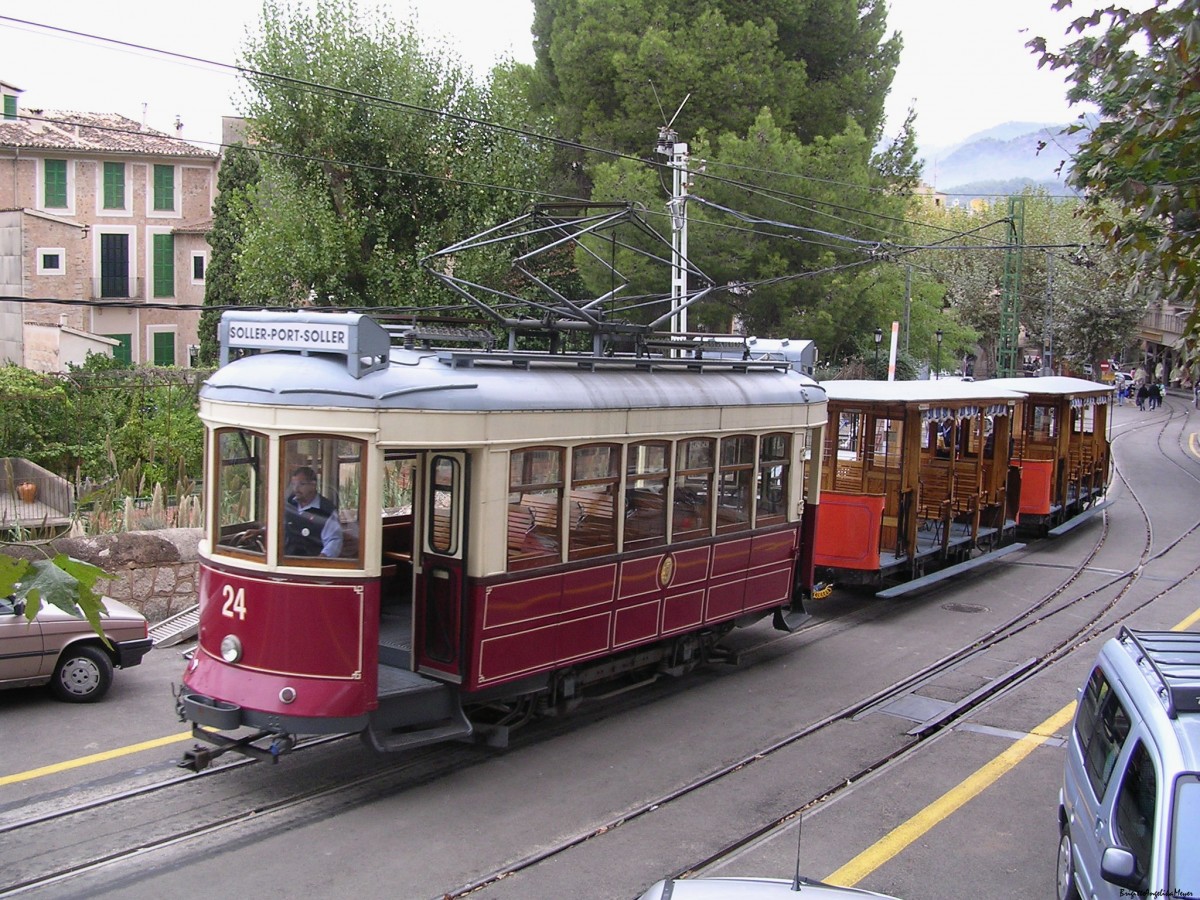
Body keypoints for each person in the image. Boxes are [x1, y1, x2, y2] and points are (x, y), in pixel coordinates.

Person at [284, 466, 343, 557]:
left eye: (301, 484)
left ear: (313, 485)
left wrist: (320, 560)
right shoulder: (289, 504)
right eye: (293, 484)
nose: (296, 489)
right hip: (286, 563)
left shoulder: (326, 510)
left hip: (310, 566)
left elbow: (333, 541)